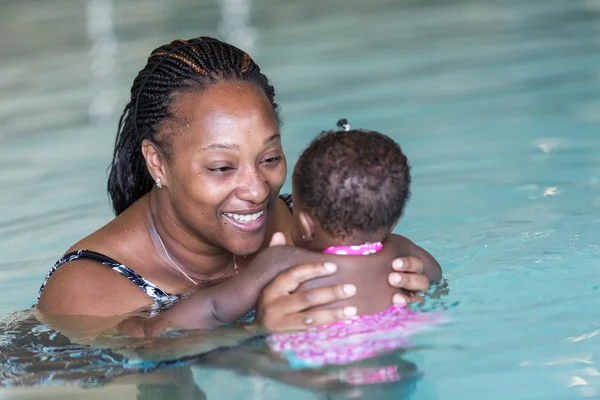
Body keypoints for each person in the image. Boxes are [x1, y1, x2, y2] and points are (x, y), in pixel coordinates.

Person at [36, 36, 438, 335]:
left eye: (269, 159)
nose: (258, 190)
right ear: (157, 162)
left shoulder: (310, 221)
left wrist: (409, 284)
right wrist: (258, 335)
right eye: (222, 167)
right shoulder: (88, 291)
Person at [118, 120, 442, 337]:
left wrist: (150, 328)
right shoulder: (402, 251)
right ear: (394, 219)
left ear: (302, 221)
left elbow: (215, 308)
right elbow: (435, 276)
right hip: (393, 345)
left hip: (317, 364)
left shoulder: (283, 259)